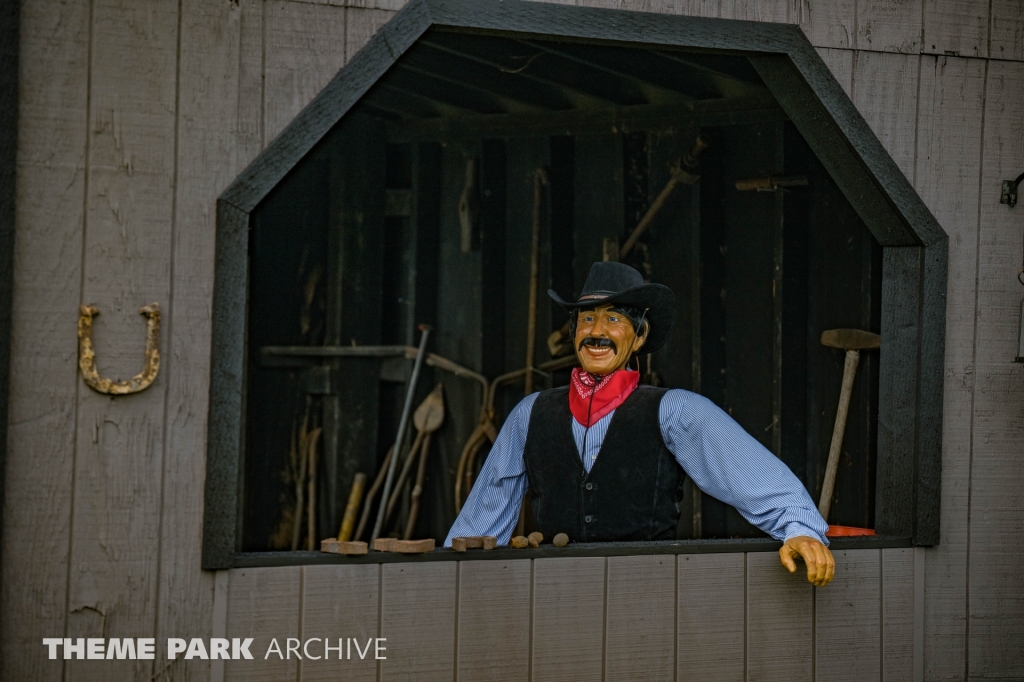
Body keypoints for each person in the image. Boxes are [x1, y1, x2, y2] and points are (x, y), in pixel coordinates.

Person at [446, 261, 835, 586]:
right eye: (587, 319)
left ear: (639, 336)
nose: (597, 332)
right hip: (553, 594)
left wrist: (799, 530)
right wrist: (446, 579)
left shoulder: (675, 411)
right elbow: (480, 524)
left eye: (613, 319)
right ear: (574, 332)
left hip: (650, 593)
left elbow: (757, 478)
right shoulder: (529, 414)